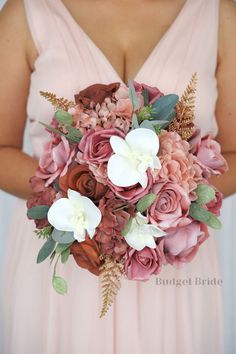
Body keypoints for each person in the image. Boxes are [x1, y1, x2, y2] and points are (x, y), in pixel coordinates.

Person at [0, 0, 236, 353]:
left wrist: (166, 198)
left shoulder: (220, 13)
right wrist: (88, 197)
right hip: (65, 266)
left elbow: (232, 156)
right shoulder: (28, 11)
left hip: (172, 269)